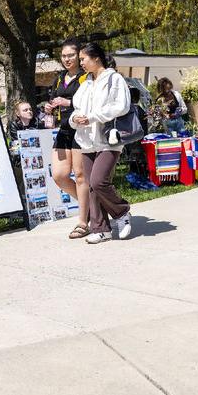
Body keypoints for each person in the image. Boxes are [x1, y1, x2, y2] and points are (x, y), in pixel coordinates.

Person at [69, 42, 133, 244]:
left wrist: (93, 117)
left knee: (98, 181)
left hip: (108, 138)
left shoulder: (114, 79)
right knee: (91, 187)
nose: (81, 63)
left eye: (83, 59)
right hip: (87, 140)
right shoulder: (85, 82)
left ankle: (122, 212)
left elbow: (122, 106)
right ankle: (101, 228)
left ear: (96, 58)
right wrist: (75, 119)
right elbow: (76, 108)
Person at [44, 38, 90, 239]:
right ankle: (89, 206)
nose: (67, 59)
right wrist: (50, 107)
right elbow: (55, 100)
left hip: (81, 130)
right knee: (59, 176)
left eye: (71, 55)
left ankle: (83, 221)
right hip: (63, 130)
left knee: (81, 176)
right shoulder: (59, 78)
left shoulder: (86, 77)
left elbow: (89, 103)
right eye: (63, 55)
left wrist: (68, 102)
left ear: (78, 56)